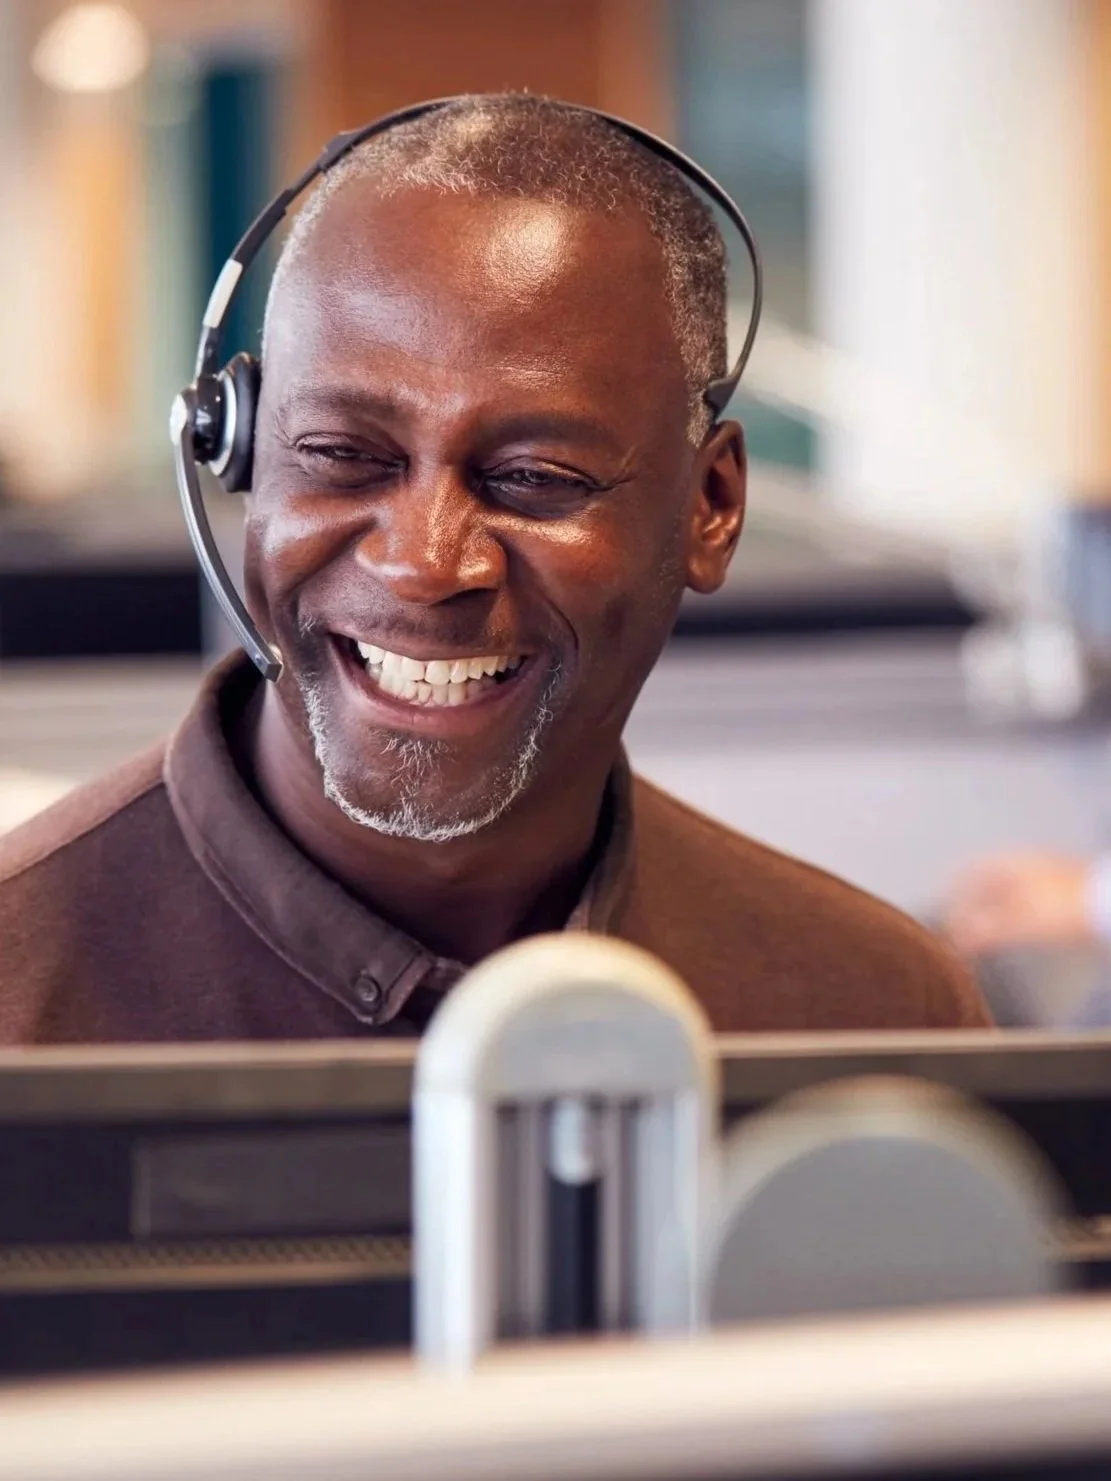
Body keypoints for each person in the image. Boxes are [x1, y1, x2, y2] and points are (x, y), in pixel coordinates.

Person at [0, 95, 988, 1042]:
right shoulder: (19, 991)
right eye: (344, 456)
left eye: (533, 477)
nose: (424, 564)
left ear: (710, 506)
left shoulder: (876, 1013)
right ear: (241, 447)